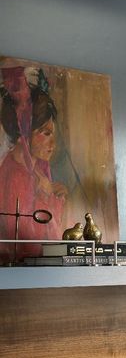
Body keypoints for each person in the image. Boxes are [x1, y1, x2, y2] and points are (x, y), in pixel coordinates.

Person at [0, 65, 68, 259]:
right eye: (46, 133)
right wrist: (49, 197)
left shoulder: (35, 167)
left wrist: (54, 196)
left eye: (53, 133)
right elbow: (31, 249)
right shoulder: (17, 176)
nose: (53, 144)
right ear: (24, 133)